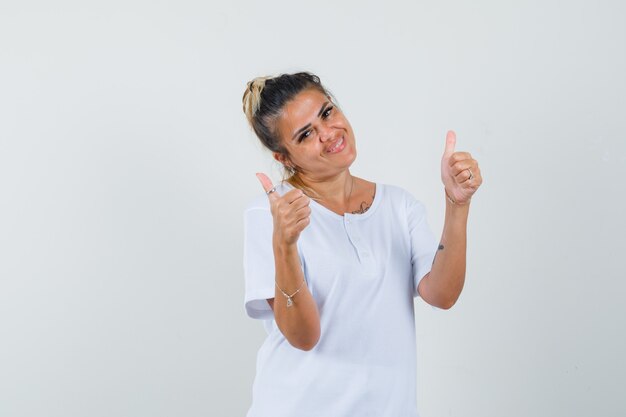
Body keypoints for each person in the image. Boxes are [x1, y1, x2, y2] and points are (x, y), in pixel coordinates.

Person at [241, 71, 482, 417]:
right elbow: (303, 336)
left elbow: (442, 295)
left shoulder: (399, 206)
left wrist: (457, 204)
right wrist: (285, 244)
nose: (328, 134)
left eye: (326, 113)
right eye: (306, 134)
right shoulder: (271, 214)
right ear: (284, 158)